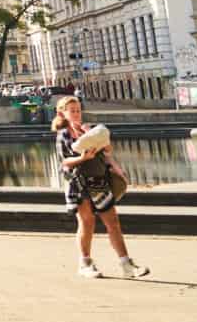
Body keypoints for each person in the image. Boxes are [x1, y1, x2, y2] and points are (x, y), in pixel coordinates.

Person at [53, 94, 147, 279]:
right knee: (87, 222)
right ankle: (85, 263)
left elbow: (107, 151)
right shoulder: (63, 135)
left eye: (78, 110)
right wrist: (82, 158)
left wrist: (116, 167)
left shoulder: (88, 129)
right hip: (78, 183)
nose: (77, 113)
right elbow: (64, 161)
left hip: (99, 180)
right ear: (62, 114)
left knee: (113, 222)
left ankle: (126, 264)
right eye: (72, 111)